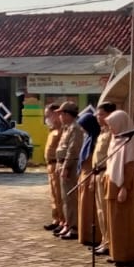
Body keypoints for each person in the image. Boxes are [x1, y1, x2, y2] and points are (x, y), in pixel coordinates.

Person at [102, 109, 134, 267]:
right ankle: (115, 253)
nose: (111, 128)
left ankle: (126, 256)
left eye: (112, 125)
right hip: (113, 184)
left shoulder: (131, 141)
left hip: (125, 186)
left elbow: (130, 166)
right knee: (114, 221)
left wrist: (124, 187)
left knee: (125, 221)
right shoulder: (116, 139)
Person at [74, 107, 103, 247]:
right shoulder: (88, 138)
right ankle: (85, 235)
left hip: (91, 176)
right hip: (83, 175)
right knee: (84, 208)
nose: (82, 129)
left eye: (83, 126)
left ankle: (95, 237)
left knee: (92, 209)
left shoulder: (97, 139)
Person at [92, 101, 117, 254]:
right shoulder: (102, 131)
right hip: (97, 172)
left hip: (105, 172)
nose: (97, 117)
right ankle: (104, 239)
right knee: (100, 210)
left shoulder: (113, 133)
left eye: (101, 114)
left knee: (105, 210)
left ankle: (109, 242)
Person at [55, 101, 82, 240]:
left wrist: (66, 167)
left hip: (69, 167)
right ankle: (68, 223)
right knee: (64, 198)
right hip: (61, 164)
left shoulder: (75, 129)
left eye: (61, 113)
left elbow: (73, 150)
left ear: (67, 114)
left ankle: (75, 227)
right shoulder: (66, 128)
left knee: (71, 198)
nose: (59, 116)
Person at [41, 103, 66, 234]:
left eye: (48, 115)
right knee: (53, 195)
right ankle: (56, 219)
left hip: (57, 164)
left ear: (56, 114)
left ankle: (63, 220)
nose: (47, 118)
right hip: (50, 165)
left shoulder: (63, 130)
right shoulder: (52, 130)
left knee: (60, 195)